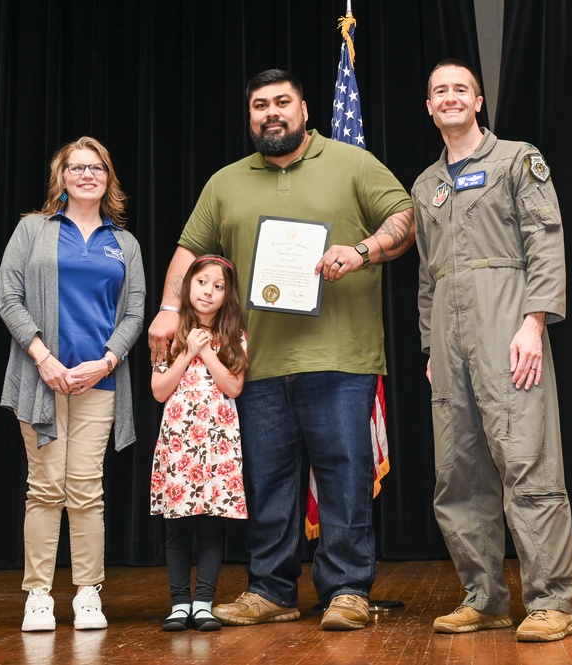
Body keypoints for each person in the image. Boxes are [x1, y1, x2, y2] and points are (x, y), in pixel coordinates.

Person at [147, 69, 415, 631]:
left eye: (282, 102)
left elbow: (407, 217)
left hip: (339, 356)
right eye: (260, 106)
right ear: (250, 118)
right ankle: (271, 589)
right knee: (267, 482)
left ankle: (346, 592)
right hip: (255, 363)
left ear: (304, 109)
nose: (272, 112)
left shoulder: (351, 163)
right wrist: (171, 308)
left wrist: (363, 250)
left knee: (344, 477)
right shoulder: (226, 183)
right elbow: (188, 251)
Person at [412, 59, 572, 643]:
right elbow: (428, 276)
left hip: (506, 325)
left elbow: (545, 239)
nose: (451, 98)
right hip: (448, 339)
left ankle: (551, 601)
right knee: (458, 472)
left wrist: (534, 323)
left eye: (461, 89)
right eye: (440, 92)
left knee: (527, 463)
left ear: (478, 101)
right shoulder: (425, 186)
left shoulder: (516, 159)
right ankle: (484, 598)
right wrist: (432, 346)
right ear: (428, 108)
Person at [0, 136, 145, 631]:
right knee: (44, 488)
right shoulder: (32, 230)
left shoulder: (124, 243)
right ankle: (38, 595)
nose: (87, 174)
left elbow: (135, 313)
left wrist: (104, 363)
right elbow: (9, 298)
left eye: (96, 167)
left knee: (85, 489)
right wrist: (43, 358)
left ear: (108, 178)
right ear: (61, 178)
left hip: (98, 382)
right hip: (41, 378)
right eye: (76, 167)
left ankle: (87, 593)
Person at [150, 254, 248, 632]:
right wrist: (187, 350)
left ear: (227, 296)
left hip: (216, 443)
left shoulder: (235, 335)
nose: (208, 291)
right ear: (188, 286)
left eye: (218, 286)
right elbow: (159, 391)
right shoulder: (170, 334)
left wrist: (206, 350)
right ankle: (179, 603)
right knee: (178, 528)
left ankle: (203, 601)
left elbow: (234, 386)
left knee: (210, 527)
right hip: (180, 442)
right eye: (202, 282)